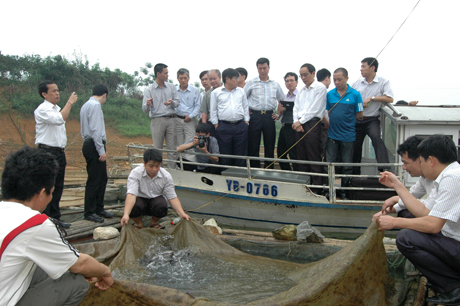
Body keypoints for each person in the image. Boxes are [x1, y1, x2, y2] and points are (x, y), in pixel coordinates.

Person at [0, 146, 113, 306]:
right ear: (41, 194)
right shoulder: (35, 225)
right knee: (76, 283)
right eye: (51, 192)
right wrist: (105, 272)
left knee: (44, 262)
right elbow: (81, 264)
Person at [377, 135, 460, 305]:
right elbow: (424, 211)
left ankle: (453, 287)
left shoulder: (452, 178)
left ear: (431, 160)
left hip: (454, 239)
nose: (420, 167)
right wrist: (397, 192)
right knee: (409, 226)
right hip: (451, 237)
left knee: (406, 238)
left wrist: (394, 223)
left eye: (420, 161)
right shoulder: (447, 175)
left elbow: (433, 224)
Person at [34, 81, 77, 229]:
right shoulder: (42, 110)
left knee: (58, 187)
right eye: (53, 91)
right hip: (47, 152)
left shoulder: (57, 108)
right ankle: (45, 220)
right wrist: (70, 103)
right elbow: (60, 119)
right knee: (47, 187)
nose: (57, 93)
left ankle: (55, 218)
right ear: (44, 94)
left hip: (59, 152)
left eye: (58, 90)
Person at [120, 148, 191, 229]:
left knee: (162, 205)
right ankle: (139, 224)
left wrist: (182, 214)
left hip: (155, 201)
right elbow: (131, 194)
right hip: (140, 200)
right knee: (134, 206)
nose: (154, 169)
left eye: (157, 166)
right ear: (144, 163)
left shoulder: (166, 176)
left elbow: (172, 197)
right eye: (151, 166)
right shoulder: (135, 173)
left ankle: (154, 222)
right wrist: (126, 214)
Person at [372, 135, 434, 221]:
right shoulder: (425, 178)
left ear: (420, 159)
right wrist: (389, 210)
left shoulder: (445, 178)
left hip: (444, 229)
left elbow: (429, 209)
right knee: (404, 212)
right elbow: (411, 195)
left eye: (406, 163)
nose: (404, 168)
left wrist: (396, 188)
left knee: (405, 230)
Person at [324, 68, 363, 200]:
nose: (336, 82)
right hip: (332, 135)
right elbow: (326, 112)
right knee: (329, 163)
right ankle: (329, 190)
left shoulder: (356, 95)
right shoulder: (330, 94)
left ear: (347, 78)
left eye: (339, 79)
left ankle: (345, 191)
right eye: (334, 79)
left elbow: (359, 114)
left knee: (347, 165)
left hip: (348, 136)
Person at [352, 57, 394, 174]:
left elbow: (389, 98)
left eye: (363, 66)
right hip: (358, 119)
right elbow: (348, 98)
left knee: (376, 137)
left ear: (372, 68)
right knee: (355, 146)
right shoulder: (356, 83)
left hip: (372, 119)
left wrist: (372, 98)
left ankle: (384, 168)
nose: (361, 69)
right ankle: (354, 174)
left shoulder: (383, 82)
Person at [80, 84, 114, 223]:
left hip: (89, 143)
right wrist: (101, 150)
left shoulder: (85, 105)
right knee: (95, 180)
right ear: (104, 95)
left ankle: (99, 208)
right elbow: (95, 130)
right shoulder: (95, 106)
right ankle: (89, 211)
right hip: (94, 144)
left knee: (102, 178)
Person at [244, 57, 284, 169]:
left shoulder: (275, 84)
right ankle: (253, 169)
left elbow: (282, 100)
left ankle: (269, 168)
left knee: (270, 143)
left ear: (269, 68)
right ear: (257, 69)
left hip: (269, 116)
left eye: (264, 68)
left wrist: (278, 115)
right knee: (253, 144)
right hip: (255, 116)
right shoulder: (251, 82)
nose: (262, 70)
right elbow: (242, 98)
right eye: (260, 68)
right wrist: (247, 114)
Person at [292, 63, 327, 193]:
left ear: (313, 73)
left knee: (313, 156)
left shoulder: (320, 88)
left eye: (305, 74)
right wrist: (296, 122)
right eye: (301, 75)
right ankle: (303, 186)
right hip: (299, 125)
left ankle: (317, 188)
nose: (303, 77)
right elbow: (296, 107)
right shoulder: (301, 90)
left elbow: (315, 109)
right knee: (301, 156)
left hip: (313, 123)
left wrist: (300, 121)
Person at [142, 63, 180, 169]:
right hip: (157, 120)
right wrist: (148, 104)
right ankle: (158, 172)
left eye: (167, 73)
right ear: (158, 74)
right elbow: (144, 109)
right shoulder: (149, 90)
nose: (167, 75)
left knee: (172, 149)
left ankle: (172, 173)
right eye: (165, 73)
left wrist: (171, 102)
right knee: (157, 149)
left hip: (171, 119)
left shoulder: (171, 87)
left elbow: (177, 103)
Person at [210, 68, 250, 167]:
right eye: (235, 78)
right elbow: (213, 110)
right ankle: (226, 175)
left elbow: (245, 107)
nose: (237, 80)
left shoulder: (241, 91)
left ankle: (240, 176)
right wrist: (216, 125)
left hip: (240, 125)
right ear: (227, 79)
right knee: (225, 154)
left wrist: (246, 122)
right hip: (224, 126)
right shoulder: (216, 92)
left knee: (241, 154)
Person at [277, 72, 299, 171]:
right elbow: (279, 114)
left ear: (296, 82)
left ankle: (297, 174)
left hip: (294, 127)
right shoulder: (284, 97)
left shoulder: (300, 95)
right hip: (284, 125)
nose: (289, 83)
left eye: (291, 80)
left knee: (294, 153)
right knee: (280, 153)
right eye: (287, 81)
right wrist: (280, 111)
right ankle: (287, 172)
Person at [175, 68, 201, 148]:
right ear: (177, 79)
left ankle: (189, 161)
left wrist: (190, 116)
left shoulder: (195, 91)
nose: (183, 80)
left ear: (188, 78)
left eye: (185, 78)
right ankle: (179, 160)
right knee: (178, 143)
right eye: (181, 78)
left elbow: (198, 106)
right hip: (177, 120)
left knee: (190, 143)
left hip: (190, 120)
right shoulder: (174, 90)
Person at [199, 69, 222, 137]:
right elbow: (204, 111)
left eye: (214, 78)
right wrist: (204, 127)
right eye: (210, 79)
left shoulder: (228, 91)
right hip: (211, 124)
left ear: (220, 77)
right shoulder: (207, 94)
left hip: (225, 123)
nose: (212, 81)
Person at [317, 68, 331, 161]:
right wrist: (326, 121)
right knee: (323, 149)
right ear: (327, 78)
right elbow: (320, 108)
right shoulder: (322, 89)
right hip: (322, 125)